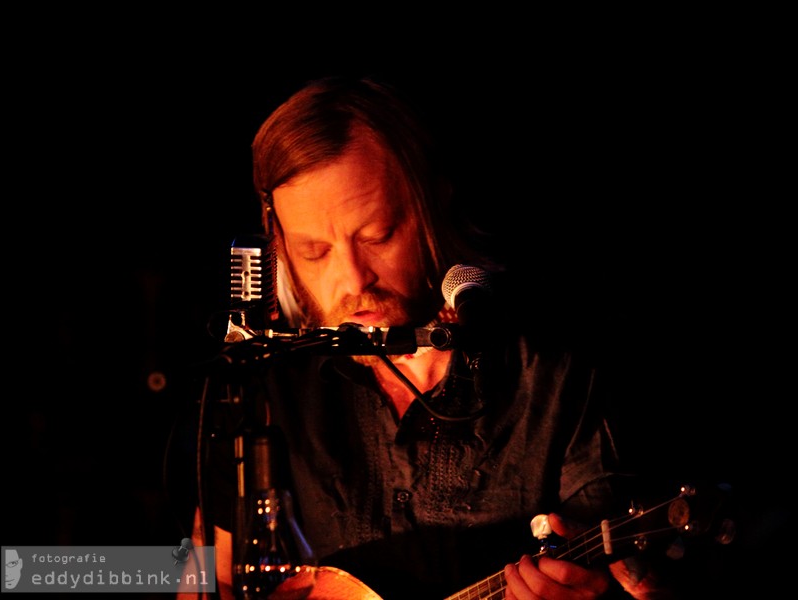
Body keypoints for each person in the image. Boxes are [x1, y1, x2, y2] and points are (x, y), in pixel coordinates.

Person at [177, 74, 722, 600]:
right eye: (314, 251)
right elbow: (208, 578)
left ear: (432, 202)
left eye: (378, 234)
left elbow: (655, 581)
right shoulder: (266, 381)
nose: (352, 279)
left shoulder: (559, 369)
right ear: (276, 241)